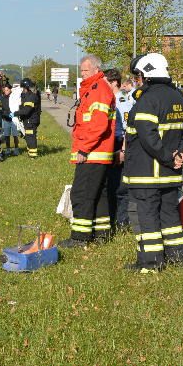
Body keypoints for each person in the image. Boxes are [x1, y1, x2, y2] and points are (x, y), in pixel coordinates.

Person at [123, 53, 183, 273]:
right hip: (171, 173)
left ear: (146, 74)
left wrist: (168, 157)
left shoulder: (147, 99)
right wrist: (182, 154)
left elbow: (148, 136)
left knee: (147, 219)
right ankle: (178, 257)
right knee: (169, 216)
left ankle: (150, 263)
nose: (137, 80)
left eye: (138, 75)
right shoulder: (178, 97)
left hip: (147, 173)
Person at [59, 55, 116, 248]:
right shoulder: (94, 89)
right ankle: (102, 234)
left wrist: (84, 148)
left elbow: (98, 126)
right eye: (81, 71)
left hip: (92, 152)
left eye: (85, 71)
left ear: (95, 69)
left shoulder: (98, 89)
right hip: (97, 152)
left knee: (81, 194)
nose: (82, 74)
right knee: (99, 194)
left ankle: (80, 237)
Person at [103, 69, 135, 230]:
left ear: (114, 82)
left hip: (119, 143)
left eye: (106, 82)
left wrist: (122, 151)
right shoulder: (108, 98)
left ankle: (122, 222)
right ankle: (113, 219)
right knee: (110, 183)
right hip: (110, 143)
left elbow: (128, 128)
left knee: (120, 186)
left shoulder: (122, 100)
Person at [16, 78, 41, 158]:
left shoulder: (31, 97)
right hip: (28, 120)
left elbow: (26, 110)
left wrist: (15, 113)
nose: (22, 90)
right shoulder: (27, 96)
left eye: (22, 88)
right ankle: (31, 153)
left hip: (31, 120)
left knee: (31, 137)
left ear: (25, 88)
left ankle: (33, 156)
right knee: (28, 136)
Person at [0, 83, 20, 156]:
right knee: (7, 136)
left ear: (10, 90)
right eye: (5, 90)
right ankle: (8, 149)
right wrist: (4, 115)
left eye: (7, 90)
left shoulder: (14, 97)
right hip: (6, 119)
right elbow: (1, 108)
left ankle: (16, 149)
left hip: (14, 119)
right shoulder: (2, 98)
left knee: (15, 135)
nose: (6, 91)